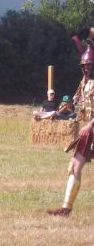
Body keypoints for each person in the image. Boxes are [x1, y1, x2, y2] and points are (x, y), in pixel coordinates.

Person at [47, 42, 94, 216]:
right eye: (85, 66)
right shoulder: (84, 83)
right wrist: (59, 111)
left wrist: (90, 124)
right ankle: (66, 209)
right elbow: (74, 103)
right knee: (74, 166)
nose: (87, 69)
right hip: (89, 131)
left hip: (91, 128)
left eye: (90, 66)